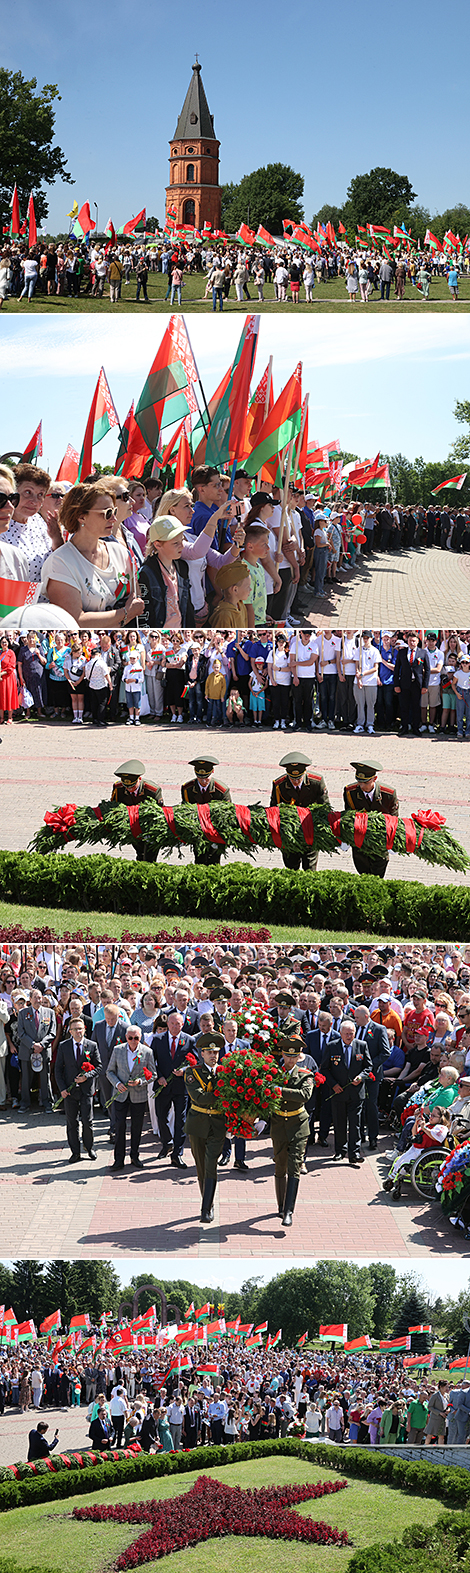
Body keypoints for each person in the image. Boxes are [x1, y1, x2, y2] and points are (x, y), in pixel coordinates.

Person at [41, 481, 144, 627]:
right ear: (81, 516)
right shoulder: (60, 562)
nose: (114, 519)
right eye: (107, 513)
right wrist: (125, 613)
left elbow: (136, 595)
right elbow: (74, 621)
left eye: (114, 512)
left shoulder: (119, 551)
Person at [270, 1037, 314, 1226]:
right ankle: (281, 1207)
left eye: (294, 1056)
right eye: (288, 1055)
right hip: (279, 1124)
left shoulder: (305, 1074)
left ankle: (289, 1211)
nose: (290, 1060)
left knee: (294, 1165)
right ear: (282, 1054)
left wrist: (279, 1090)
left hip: (298, 1125)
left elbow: (305, 1095)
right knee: (280, 1165)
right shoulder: (273, 1074)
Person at [184, 1031, 227, 1223]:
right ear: (201, 1053)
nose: (213, 1055)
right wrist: (225, 1096)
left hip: (218, 1124)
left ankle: (206, 1209)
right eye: (209, 1052)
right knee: (201, 1167)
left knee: (211, 1165)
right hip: (198, 1124)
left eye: (216, 1052)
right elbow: (199, 1097)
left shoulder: (226, 1072)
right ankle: (207, 1202)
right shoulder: (192, 1073)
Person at [322, 1017, 373, 1167]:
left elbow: (368, 1067)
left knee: (355, 1124)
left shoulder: (362, 1045)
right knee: (339, 1123)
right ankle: (340, 1150)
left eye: (351, 1033)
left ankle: (354, 1152)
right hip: (338, 1092)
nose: (349, 1036)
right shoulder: (332, 1046)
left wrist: (361, 1077)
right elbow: (324, 1068)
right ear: (340, 1033)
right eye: (346, 1033)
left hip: (356, 1092)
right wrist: (333, 1085)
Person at [106, 1024, 156, 1171]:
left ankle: (135, 1156)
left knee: (136, 1127)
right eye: (130, 1038)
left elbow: (153, 1074)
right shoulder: (118, 1050)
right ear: (126, 1037)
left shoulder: (147, 1052)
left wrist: (140, 1081)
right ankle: (118, 1160)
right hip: (121, 1095)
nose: (133, 1041)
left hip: (138, 1095)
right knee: (119, 1127)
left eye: (136, 1038)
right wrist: (117, 1084)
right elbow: (109, 1071)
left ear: (140, 1038)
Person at [270, 752, 331, 872]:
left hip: (310, 833)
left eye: (299, 778)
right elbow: (273, 810)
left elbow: (325, 808)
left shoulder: (316, 782)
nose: (296, 781)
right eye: (292, 778)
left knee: (310, 868)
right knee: (291, 868)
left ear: (304, 773)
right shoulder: (279, 785)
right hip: (289, 834)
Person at [54, 1016, 102, 1163]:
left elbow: (99, 1067)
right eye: (75, 1029)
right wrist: (62, 1088)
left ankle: (89, 1147)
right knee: (72, 1122)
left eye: (80, 1028)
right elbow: (57, 1070)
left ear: (84, 1030)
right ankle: (75, 1152)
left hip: (86, 1090)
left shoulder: (92, 1045)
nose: (78, 1032)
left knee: (87, 1121)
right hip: (69, 1091)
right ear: (70, 1031)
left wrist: (86, 1076)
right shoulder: (64, 1046)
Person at [343, 761, 399, 878]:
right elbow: (348, 815)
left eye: (366, 782)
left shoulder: (388, 794)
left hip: (379, 843)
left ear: (374, 779)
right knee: (363, 874)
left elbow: (394, 820)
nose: (362, 786)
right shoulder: (350, 792)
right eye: (359, 782)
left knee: (377, 876)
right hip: (360, 844)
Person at [151, 1011, 193, 1167]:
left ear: (183, 1025)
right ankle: (167, 1143)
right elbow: (151, 1062)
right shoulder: (157, 1040)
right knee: (161, 1117)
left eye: (178, 1024)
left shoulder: (189, 1040)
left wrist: (185, 1070)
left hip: (181, 1087)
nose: (175, 1027)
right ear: (167, 1024)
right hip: (162, 1086)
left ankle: (177, 1153)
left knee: (180, 1122)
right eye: (172, 1023)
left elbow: (194, 1061)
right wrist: (159, 1076)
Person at [139, 516, 195, 627]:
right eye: (175, 543)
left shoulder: (182, 567)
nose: (182, 546)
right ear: (158, 545)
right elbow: (143, 615)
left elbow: (187, 606)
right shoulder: (146, 574)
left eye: (182, 540)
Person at [180, 756, 231, 866]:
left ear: (212, 772)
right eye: (200, 777)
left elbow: (227, 815)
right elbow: (186, 811)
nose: (203, 781)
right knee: (199, 860)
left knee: (214, 862)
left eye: (206, 777)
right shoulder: (187, 788)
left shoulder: (221, 790)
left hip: (215, 832)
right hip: (198, 831)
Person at [110, 760, 163, 862]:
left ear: (139, 779)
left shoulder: (153, 790)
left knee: (149, 857)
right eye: (126, 786)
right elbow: (114, 807)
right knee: (140, 853)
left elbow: (159, 815)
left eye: (132, 786)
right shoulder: (118, 788)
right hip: (133, 827)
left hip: (150, 829)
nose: (129, 789)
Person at [17, 987, 56, 1113]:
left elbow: (52, 1033)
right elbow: (21, 1033)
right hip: (27, 1050)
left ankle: (47, 1103)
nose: (38, 1000)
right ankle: (25, 1103)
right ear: (30, 999)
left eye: (40, 998)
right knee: (26, 1079)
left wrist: (42, 1045)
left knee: (45, 1079)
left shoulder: (49, 1012)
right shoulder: (23, 1013)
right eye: (35, 997)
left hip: (43, 1050)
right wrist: (33, 1045)